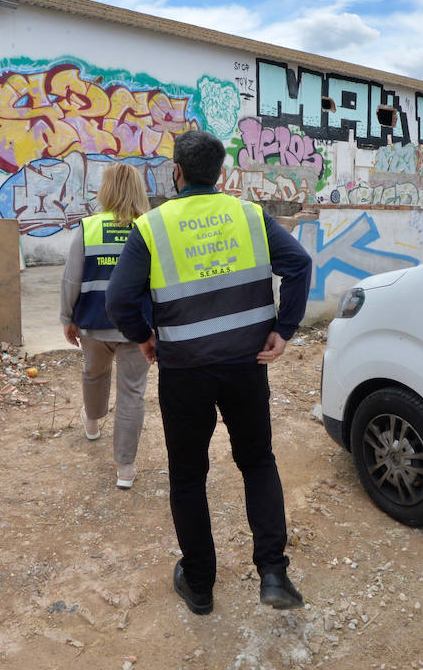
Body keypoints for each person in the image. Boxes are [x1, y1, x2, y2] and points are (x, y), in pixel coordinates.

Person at [106, 130, 313, 615]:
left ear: (176, 172)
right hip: (245, 366)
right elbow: (299, 264)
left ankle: (199, 585)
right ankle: (274, 576)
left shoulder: (153, 227)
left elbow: (118, 299)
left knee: (188, 475)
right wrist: (285, 329)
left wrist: (143, 335)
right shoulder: (249, 215)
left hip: (184, 371)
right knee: (257, 461)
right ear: (221, 174)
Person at [60, 163, 152, 489]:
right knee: (132, 394)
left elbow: (71, 277)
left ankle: (92, 421)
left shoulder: (89, 227)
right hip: (138, 329)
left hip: (95, 324)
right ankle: (125, 468)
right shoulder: (150, 228)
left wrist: (67, 317)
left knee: (94, 372)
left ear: (106, 190)